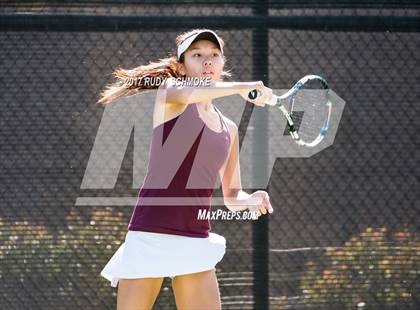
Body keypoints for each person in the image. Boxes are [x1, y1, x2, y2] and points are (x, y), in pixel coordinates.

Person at [98, 29, 274, 310]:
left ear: (222, 64)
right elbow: (195, 93)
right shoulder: (171, 95)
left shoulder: (228, 128)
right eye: (198, 55)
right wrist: (243, 87)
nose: (207, 61)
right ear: (181, 67)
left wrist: (250, 199)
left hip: (195, 238)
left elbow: (232, 195)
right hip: (150, 234)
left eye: (214, 55)